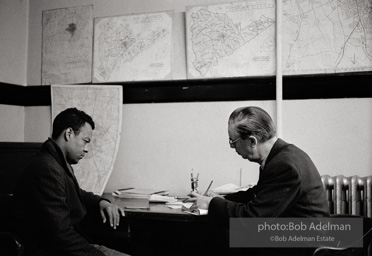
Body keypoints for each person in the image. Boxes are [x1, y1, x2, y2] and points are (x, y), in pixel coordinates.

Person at [191, 106, 330, 255]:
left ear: (252, 141)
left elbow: (252, 220)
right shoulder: (280, 155)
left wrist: (211, 203)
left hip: (305, 244)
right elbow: (259, 194)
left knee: (222, 237)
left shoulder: (284, 165)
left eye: (233, 141)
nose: (232, 147)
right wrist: (221, 198)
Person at [13, 108, 130, 256]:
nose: (86, 149)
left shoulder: (55, 161)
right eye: (85, 141)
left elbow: (75, 191)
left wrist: (101, 202)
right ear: (69, 134)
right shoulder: (47, 168)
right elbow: (61, 237)